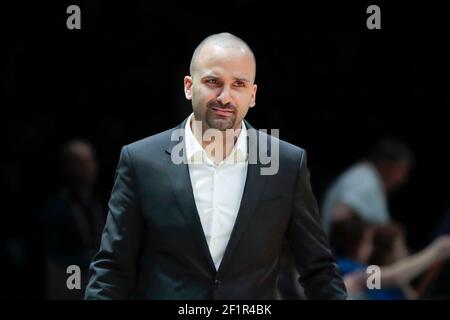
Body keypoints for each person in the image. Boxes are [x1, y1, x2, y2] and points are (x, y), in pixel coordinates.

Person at [84, 32, 347, 299]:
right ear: (189, 86)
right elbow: (113, 268)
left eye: (238, 84)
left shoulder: (286, 164)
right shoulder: (141, 161)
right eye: (213, 81)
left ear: (253, 94)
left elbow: (318, 270)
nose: (225, 96)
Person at [41, 139, 105, 299]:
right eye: (81, 162)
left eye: (90, 161)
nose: (88, 167)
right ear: (67, 167)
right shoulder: (56, 210)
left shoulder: (99, 206)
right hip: (68, 286)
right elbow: (53, 258)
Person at [321, 139, 414, 233]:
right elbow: (339, 216)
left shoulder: (368, 178)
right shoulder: (365, 180)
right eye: (402, 171)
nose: (403, 179)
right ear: (388, 166)